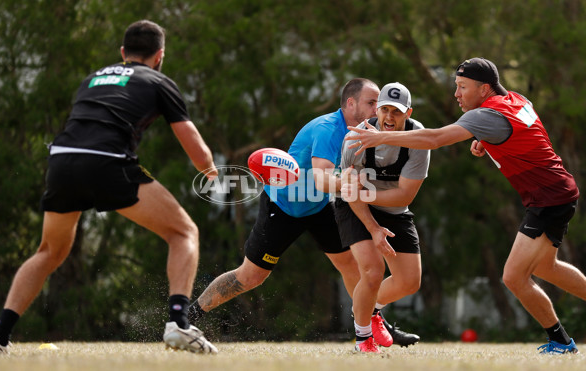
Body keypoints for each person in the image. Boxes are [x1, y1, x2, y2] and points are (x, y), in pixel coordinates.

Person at [0, 20, 218, 355]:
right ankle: (179, 323)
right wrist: (211, 171)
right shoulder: (159, 81)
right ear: (160, 56)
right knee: (184, 233)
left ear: (123, 53)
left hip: (61, 161)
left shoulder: (92, 78)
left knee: (49, 252)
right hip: (106, 162)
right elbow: (197, 152)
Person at [347, 57, 583, 355]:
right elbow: (524, 125)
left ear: (484, 89)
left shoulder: (485, 116)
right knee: (547, 268)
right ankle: (561, 341)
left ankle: (560, 342)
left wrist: (380, 136)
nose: (456, 94)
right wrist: (490, 141)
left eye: (462, 87)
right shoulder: (514, 100)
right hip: (557, 192)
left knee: (514, 277)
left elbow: (434, 138)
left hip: (548, 199)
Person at [187, 78, 420, 347]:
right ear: (350, 103)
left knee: (355, 268)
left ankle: (375, 325)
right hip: (284, 207)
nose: (377, 110)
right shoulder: (328, 129)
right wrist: (348, 184)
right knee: (251, 276)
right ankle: (187, 318)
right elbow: (322, 178)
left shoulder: (364, 132)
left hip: (320, 206)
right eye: (372, 103)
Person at [335, 82, 429, 353]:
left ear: (408, 112)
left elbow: (404, 196)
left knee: (409, 282)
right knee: (373, 271)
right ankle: (363, 339)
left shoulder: (417, 138)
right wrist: (373, 227)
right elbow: (350, 194)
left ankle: (371, 310)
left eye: (397, 112)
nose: (389, 117)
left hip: (391, 205)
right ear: (376, 109)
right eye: (385, 109)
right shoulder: (355, 138)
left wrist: (363, 192)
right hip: (353, 206)